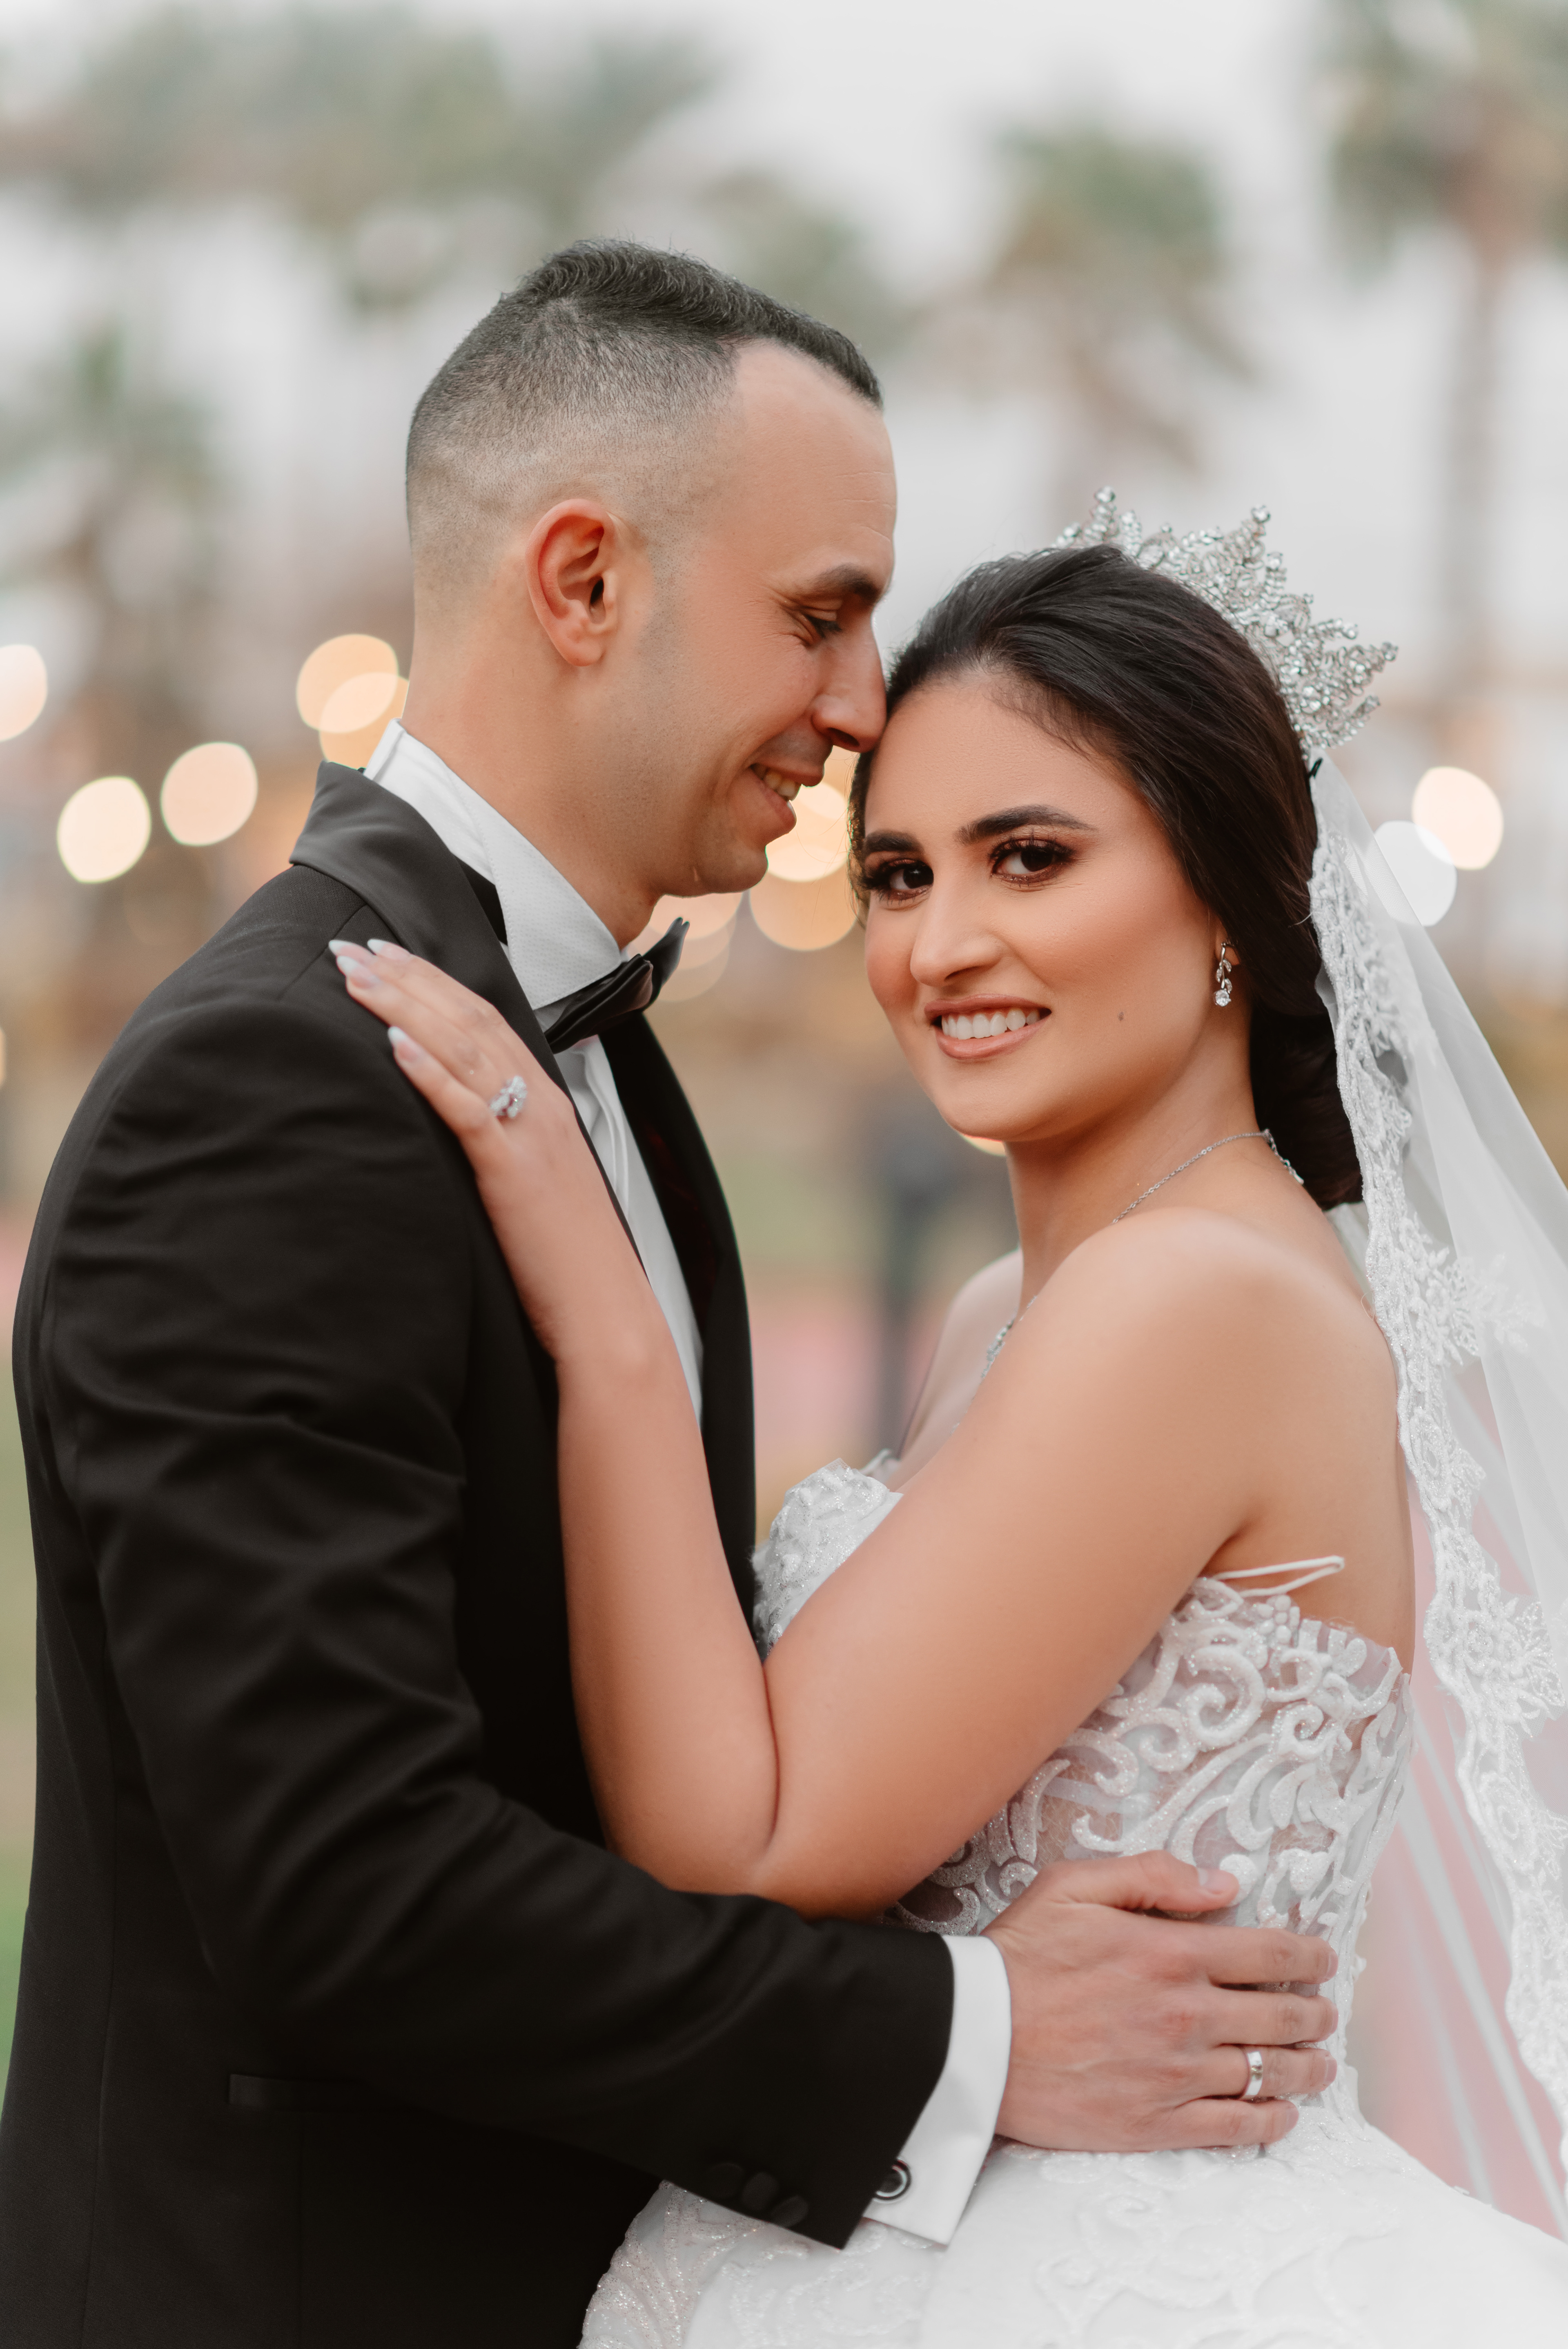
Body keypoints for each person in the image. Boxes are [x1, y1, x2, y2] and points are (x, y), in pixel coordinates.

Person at [0, 251, 1332, 2349]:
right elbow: (344, 1887)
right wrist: (964, 2034)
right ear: (583, 579)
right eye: (822, 611)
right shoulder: (280, 1082)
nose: (869, 697)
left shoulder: (597, 1059)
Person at [333, 504, 1568, 2342]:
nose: (943, 945)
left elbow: (746, 1840)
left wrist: (602, 1316)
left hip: (1111, 2272)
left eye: (1032, 856)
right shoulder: (1034, 1307)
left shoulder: (1191, 1300)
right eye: (899, 875)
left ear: (1228, 893)